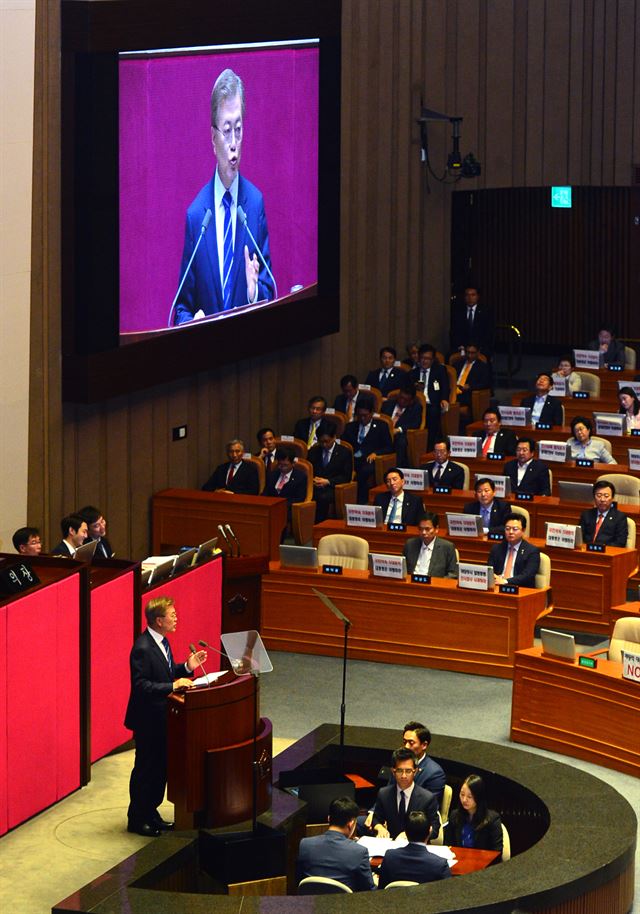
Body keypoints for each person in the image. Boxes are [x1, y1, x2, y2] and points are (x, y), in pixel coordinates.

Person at [174, 69, 273, 323]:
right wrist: (192, 325)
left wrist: (254, 294)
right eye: (226, 130)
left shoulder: (254, 204)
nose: (233, 142)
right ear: (212, 138)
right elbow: (181, 308)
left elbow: (270, 292)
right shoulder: (197, 217)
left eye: (238, 129)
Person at [124, 596, 206, 836]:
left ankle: (151, 812)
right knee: (146, 770)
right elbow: (142, 686)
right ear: (159, 620)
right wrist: (173, 686)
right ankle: (137, 819)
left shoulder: (162, 642)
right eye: (172, 615)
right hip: (148, 720)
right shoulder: (142, 648)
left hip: (164, 718)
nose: (176, 618)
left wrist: (187, 667)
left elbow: (167, 673)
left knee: (161, 769)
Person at [295, 796, 374, 892]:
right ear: (351, 824)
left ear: (329, 819)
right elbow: (369, 891)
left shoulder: (304, 845)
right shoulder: (359, 852)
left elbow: (299, 882)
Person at [370, 747, 440, 841]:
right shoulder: (384, 794)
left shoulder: (427, 798)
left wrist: (412, 834)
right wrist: (379, 827)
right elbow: (376, 818)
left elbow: (435, 829)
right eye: (399, 771)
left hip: (416, 847)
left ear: (415, 772)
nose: (403, 776)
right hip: (390, 845)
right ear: (393, 771)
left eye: (408, 771)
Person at [378, 811, 451, 889]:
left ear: (405, 832)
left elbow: (381, 890)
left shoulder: (390, 857)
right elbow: (448, 895)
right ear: (430, 831)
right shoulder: (440, 865)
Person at [342, 394, 393, 503]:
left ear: (371, 413)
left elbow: (389, 447)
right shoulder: (350, 427)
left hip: (370, 460)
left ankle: (362, 501)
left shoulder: (381, 426)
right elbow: (344, 445)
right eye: (360, 415)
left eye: (365, 415)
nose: (362, 418)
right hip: (352, 459)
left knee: (364, 472)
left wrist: (376, 453)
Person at [443, 774, 503, 853]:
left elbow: (497, 852)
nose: (464, 800)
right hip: (457, 862)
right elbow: (448, 845)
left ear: (479, 797)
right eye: (462, 794)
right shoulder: (454, 815)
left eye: (469, 796)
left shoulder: (492, 819)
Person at [409, 344, 450, 449]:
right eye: (422, 358)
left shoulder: (440, 370)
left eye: (427, 359)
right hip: (416, 404)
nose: (424, 361)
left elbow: (445, 387)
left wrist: (444, 399)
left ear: (432, 360)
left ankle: (430, 446)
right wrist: (414, 388)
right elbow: (407, 391)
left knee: (433, 413)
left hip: (432, 403)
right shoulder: (412, 373)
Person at [308, 430, 353, 522]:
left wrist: (328, 481)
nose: (324, 445)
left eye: (327, 441)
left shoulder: (344, 452)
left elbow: (346, 476)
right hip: (315, 485)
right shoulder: (314, 451)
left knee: (322, 497)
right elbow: (309, 470)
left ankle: (319, 525)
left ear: (334, 438)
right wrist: (314, 479)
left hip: (333, 486)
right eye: (321, 442)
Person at [488, 513, 540, 587]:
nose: (511, 532)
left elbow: (527, 576)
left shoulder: (532, 551)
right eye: (507, 529)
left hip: (519, 588)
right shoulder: (497, 548)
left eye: (515, 529)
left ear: (523, 530)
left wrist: (505, 581)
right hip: (498, 586)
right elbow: (489, 569)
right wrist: (493, 576)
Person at [381, 380, 423, 466]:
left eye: (405, 400)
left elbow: (416, 424)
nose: (401, 401)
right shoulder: (388, 404)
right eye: (400, 398)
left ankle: (397, 467)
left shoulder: (416, 408)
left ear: (411, 400)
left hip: (400, 434)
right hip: (383, 432)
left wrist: (399, 429)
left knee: (401, 441)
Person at [403, 512, 458, 578]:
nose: (423, 532)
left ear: (436, 529)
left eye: (427, 529)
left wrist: (437, 583)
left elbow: (453, 574)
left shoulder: (447, 547)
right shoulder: (410, 544)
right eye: (421, 529)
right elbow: (402, 568)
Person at [400, 722, 446, 800]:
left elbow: (428, 806)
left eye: (411, 743)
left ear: (424, 745)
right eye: (405, 742)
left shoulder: (435, 773)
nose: (406, 747)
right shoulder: (399, 764)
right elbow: (387, 796)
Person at [262, 445, 308, 517]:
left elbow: (300, 499)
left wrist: (280, 505)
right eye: (280, 464)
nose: (282, 468)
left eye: (285, 465)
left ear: (293, 463)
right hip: (270, 509)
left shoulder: (300, 477)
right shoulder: (272, 475)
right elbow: (265, 493)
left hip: (288, 509)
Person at [579, 480, 628, 547]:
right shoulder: (586, 515)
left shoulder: (620, 517)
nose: (602, 499)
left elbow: (620, 542)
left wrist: (602, 548)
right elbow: (579, 537)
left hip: (607, 554)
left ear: (612, 498)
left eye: (606, 496)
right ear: (594, 497)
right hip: (586, 553)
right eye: (599, 495)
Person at [450, 285, 495, 356]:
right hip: (462, 348)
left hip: (480, 348)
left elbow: (488, 333)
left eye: (473, 295)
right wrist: (461, 347)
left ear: (478, 296)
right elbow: (454, 332)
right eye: (467, 295)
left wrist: (478, 348)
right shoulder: (458, 312)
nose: (470, 298)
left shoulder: (486, 312)